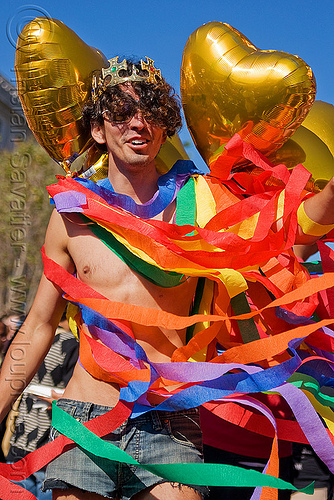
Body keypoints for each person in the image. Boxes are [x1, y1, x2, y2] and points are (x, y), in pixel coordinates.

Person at [0, 55, 334, 500]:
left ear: (164, 127)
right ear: (98, 130)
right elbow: (40, 324)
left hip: (169, 422)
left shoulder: (204, 203)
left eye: (151, 112)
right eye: (121, 113)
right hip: (87, 418)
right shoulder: (73, 217)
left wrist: (330, 193)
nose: (138, 124)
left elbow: (285, 240)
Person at [3, 311, 79, 499]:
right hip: (49, 450)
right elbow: (73, 395)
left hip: (19, 440)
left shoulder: (25, 340)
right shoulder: (72, 344)